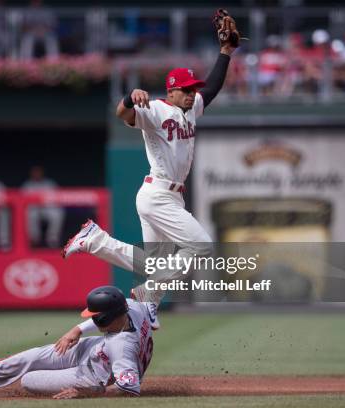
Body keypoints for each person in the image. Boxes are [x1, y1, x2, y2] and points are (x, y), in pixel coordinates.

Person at [63, 13, 241, 304]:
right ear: (171, 91)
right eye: (185, 89)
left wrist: (225, 53)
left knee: (155, 269)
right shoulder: (156, 109)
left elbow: (211, 88)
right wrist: (131, 98)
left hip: (170, 196)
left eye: (192, 88)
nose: (191, 93)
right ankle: (144, 292)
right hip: (158, 193)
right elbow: (121, 114)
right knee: (202, 248)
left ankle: (97, 243)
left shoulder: (191, 108)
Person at [0, 285, 159, 398]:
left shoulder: (122, 347)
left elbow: (128, 389)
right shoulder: (131, 307)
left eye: (93, 316)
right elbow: (148, 292)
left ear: (105, 318)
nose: (90, 317)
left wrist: (85, 393)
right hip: (95, 349)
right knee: (34, 356)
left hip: (94, 375)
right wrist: (77, 330)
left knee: (29, 379)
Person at [22, 165, 64, 248]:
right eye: (35, 172)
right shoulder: (27, 185)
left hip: (47, 207)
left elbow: (57, 198)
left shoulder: (50, 183)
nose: (37, 174)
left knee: (57, 213)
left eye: (38, 172)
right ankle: (34, 239)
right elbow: (21, 202)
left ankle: (52, 239)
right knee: (30, 214)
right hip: (33, 209)